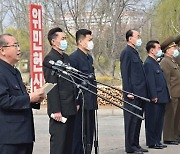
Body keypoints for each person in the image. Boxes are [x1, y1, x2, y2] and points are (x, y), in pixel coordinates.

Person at [0, 33, 45, 153]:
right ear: (2, 50)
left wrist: (36, 99)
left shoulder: (15, 71)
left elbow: (20, 98)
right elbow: (3, 101)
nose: (19, 49)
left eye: (18, 45)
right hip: (10, 138)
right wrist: (30, 98)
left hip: (24, 135)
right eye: (15, 45)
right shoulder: (1, 72)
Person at [43, 27, 77, 154]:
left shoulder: (66, 58)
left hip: (70, 106)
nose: (65, 41)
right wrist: (56, 110)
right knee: (59, 144)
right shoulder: (49, 59)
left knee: (69, 143)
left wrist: (76, 102)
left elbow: (72, 82)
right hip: (59, 110)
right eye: (62, 39)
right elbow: (51, 86)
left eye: (65, 38)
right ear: (53, 41)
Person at [69, 29, 98, 154]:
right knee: (79, 134)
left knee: (90, 133)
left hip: (91, 100)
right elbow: (73, 82)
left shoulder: (89, 58)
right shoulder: (74, 58)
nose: (91, 42)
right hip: (81, 102)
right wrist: (76, 101)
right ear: (80, 42)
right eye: (89, 40)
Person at [120, 29, 148, 154]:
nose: (139, 39)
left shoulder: (134, 52)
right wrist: (128, 91)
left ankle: (135, 144)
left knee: (137, 120)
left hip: (140, 93)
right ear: (130, 39)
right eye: (137, 36)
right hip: (132, 93)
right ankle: (130, 146)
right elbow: (125, 74)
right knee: (131, 120)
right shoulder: (126, 52)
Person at [143, 40, 170, 149]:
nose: (160, 50)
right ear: (152, 50)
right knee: (152, 120)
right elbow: (150, 81)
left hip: (161, 96)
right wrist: (153, 95)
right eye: (158, 48)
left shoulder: (155, 62)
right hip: (155, 97)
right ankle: (152, 141)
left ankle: (157, 140)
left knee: (159, 121)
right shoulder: (148, 63)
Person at [160, 36, 180, 145]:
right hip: (172, 93)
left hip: (177, 93)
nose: (175, 49)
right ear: (168, 50)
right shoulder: (165, 62)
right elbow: (166, 80)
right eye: (173, 48)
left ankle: (175, 136)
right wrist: (168, 94)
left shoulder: (172, 61)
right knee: (170, 117)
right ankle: (168, 137)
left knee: (176, 117)